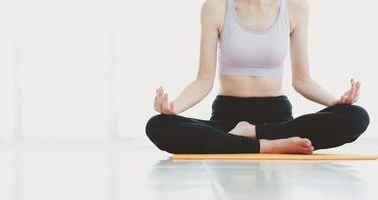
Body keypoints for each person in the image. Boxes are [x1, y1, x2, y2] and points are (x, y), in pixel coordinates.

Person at [145, 0, 370, 154]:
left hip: (277, 121)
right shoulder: (216, 6)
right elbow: (204, 80)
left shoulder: (294, 6)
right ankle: (267, 146)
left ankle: (254, 137)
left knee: (356, 117)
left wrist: (336, 103)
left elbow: (302, 80)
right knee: (158, 126)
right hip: (228, 120)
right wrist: (174, 108)